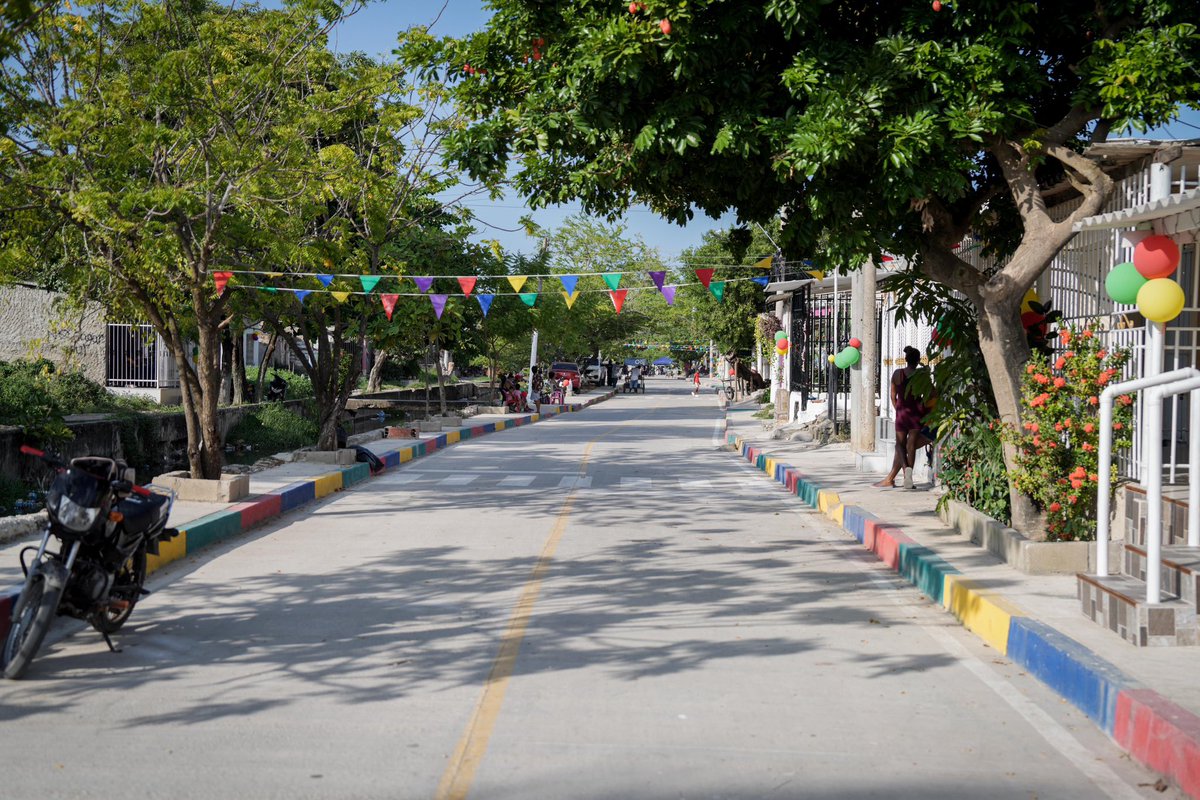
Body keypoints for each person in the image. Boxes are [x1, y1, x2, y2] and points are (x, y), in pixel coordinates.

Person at [879, 346, 933, 489]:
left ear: (906, 359)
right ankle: (909, 478)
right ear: (918, 360)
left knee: (899, 444)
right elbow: (928, 394)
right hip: (917, 412)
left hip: (902, 412)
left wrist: (898, 409)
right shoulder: (922, 376)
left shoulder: (898, 374)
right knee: (911, 445)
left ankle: (905, 470)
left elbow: (892, 396)